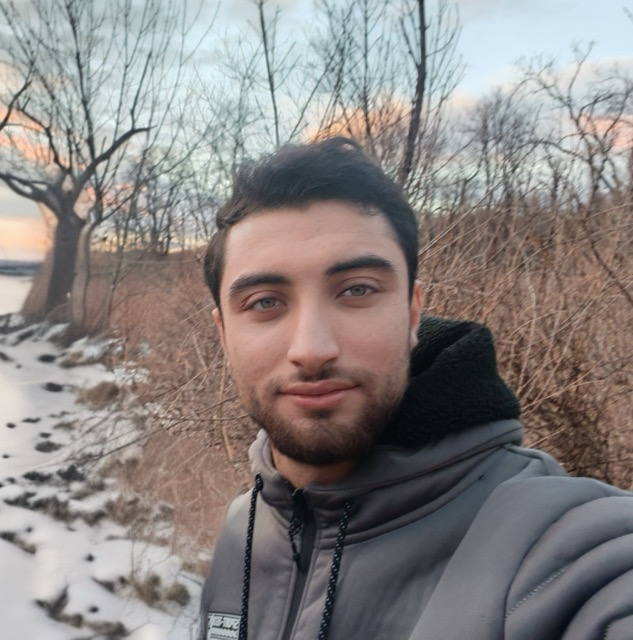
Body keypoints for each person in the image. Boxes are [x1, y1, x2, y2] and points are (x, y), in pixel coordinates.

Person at [199, 137, 633, 640]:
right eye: (264, 302)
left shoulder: (562, 544)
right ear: (224, 334)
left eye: (357, 290)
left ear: (412, 313)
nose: (312, 349)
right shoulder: (244, 529)